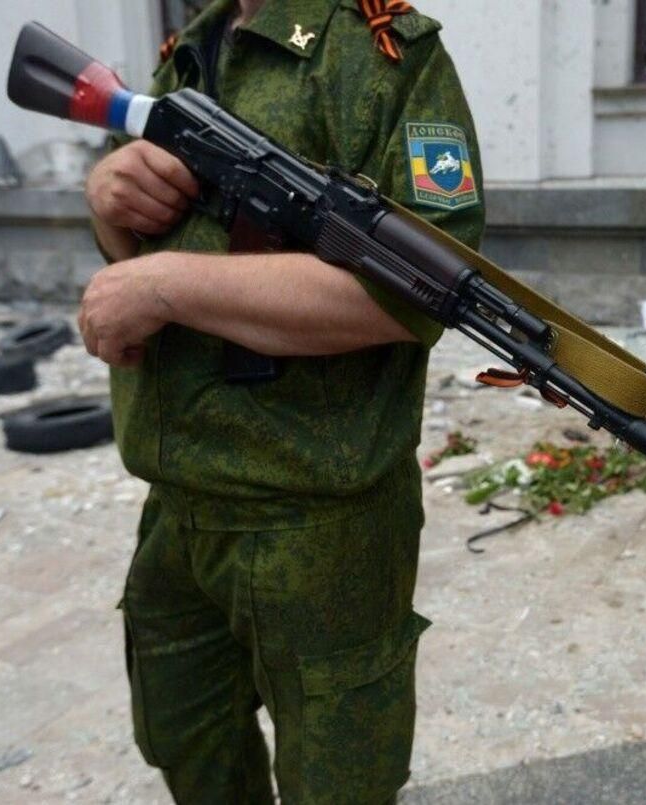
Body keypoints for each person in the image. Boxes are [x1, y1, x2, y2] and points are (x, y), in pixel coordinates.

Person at [80, 0, 484, 801]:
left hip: (315, 520)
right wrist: (106, 200)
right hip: (177, 498)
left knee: (336, 777)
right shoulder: (191, 51)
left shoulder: (380, 57)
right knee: (185, 739)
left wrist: (165, 285)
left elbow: (417, 293)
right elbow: (152, 235)